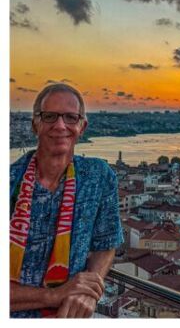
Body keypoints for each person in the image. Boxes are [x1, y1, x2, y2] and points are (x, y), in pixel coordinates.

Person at [10, 83, 123, 318]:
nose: (60, 126)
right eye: (49, 116)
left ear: (82, 127)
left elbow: (106, 244)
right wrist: (53, 295)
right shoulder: (10, 181)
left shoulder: (98, 177)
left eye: (71, 118)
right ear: (35, 124)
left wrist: (89, 289)